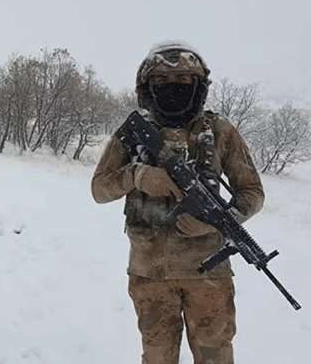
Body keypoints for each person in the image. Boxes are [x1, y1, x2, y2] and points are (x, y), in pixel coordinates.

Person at [90, 41, 264, 364]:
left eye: (183, 83)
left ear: (198, 88)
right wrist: (138, 176)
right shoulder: (134, 132)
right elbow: (99, 188)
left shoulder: (220, 132)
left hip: (208, 278)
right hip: (150, 276)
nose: (173, 90)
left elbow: (252, 193)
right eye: (163, 84)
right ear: (148, 88)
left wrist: (217, 220)